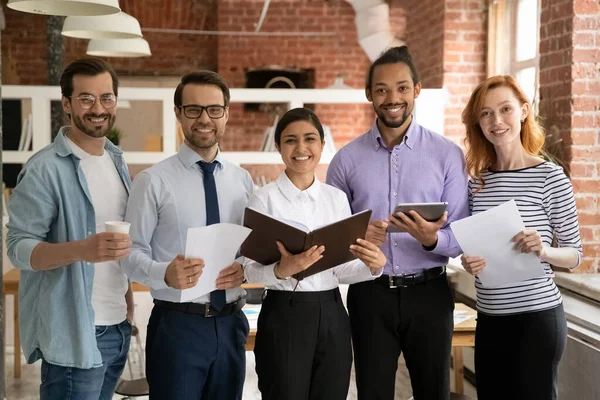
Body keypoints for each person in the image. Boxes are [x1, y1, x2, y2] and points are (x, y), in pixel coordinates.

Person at [326, 46, 469, 400]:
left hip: (430, 295)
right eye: (382, 90)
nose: (393, 98)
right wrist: (359, 236)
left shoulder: (447, 154)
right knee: (372, 393)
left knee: (433, 392)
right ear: (369, 95)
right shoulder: (345, 161)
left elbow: (463, 234)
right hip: (369, 294)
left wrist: (431, 240)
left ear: (417, 90)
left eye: (402, 88)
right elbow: (328, 238)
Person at [6, 58, 134, 400]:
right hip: (75, 334)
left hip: (118, 327)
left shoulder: (116, 159)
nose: (98, 108)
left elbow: (119, 247)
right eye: (86, 98)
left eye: (106, 98)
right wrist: (81, 249)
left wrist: (129, 305)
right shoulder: (44, 169)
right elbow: (18, 249)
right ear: (67, 103)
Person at [121, 70, 252, 400]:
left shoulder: (242, 181)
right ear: (178, 112)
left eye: (214, 109)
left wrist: (246, 267)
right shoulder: (153, 181)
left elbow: (250, 246)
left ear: (226, 113)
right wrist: (163, 272)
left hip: (231, 323)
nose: (204, 119)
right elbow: (128, 255)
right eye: (193, 109)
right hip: (177, 327)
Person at [245, 108, 387, 400]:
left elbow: (341, 270)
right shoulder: (263, 199)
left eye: (310, 139)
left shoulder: (336, 199)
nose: (301, 148)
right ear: (279, 148)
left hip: (332, 312)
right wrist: (282, 269)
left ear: (322, 145)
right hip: (284, 313)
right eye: (290, 140)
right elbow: (248, 269)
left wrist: (373, 266)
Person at [460, 75, 582, 400]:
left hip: (537, 320)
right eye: (486, 113)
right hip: (489, 319)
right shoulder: (476, 183)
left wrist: (544, 251)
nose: (496, 121)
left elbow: (575, 255)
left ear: (524, 111)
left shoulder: (550, 177)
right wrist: (466, 260)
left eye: (505, 109)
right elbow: (472, 245)